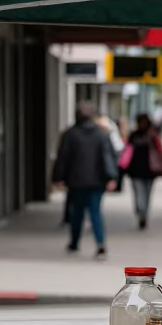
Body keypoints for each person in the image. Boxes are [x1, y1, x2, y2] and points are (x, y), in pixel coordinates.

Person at [52, 102, 118, 257]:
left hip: (76, 181)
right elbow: (107, 157)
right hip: (97, 181)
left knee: (77, 213)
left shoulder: (70, 134)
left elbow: (63, 158)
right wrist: (111, 177)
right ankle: (100, 244)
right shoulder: (101, 135)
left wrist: (58, 178)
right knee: (95, 212)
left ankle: (74, 243)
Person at [122, 114, 162, 229]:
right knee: (139, 193)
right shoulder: (134, 135)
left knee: (146, 193)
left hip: (150, 170)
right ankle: (141, 211)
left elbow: (160, 151)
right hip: (136, 170)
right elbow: (127, 152)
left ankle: (143, 213)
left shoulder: (152, 135)